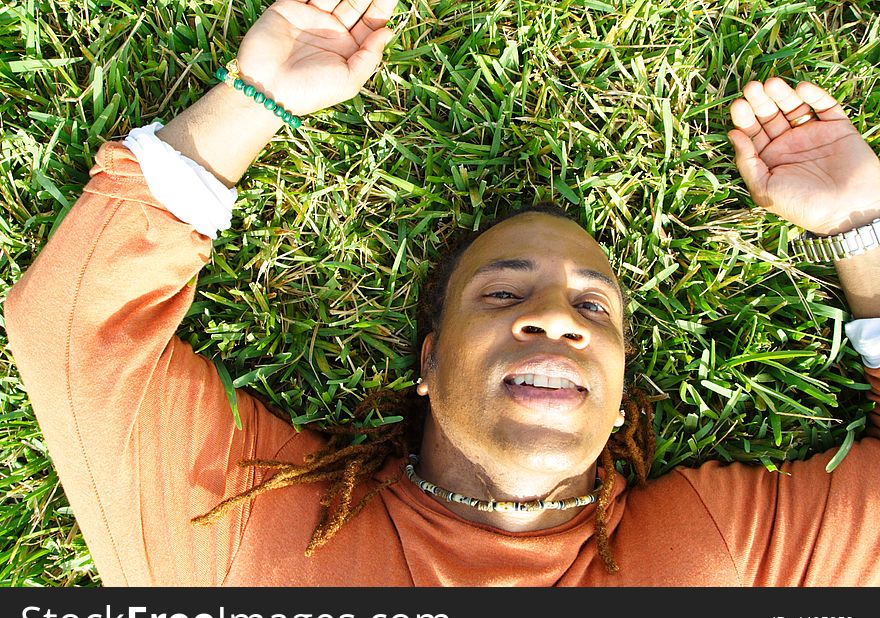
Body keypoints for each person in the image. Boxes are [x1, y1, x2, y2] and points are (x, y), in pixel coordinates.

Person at [5, 0, 880, 586]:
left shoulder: (712, 549)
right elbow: (76, 340)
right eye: (501, 296)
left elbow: (79, 340)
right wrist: (255, 96)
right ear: (428, 363)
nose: (553, 318)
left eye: (593, 307)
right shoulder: (265, 537)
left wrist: (861, 222)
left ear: (621, 397)